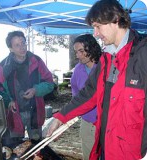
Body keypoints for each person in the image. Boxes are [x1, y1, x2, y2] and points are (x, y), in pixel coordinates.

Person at [47, 0, 147, 160]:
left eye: (98, 26)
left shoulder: (143, 54)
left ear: (115, 20)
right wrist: (61, 117)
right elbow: (89, 93)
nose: (95, 33)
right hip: (105, 147)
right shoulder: (106, 58)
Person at [0, 31, 54, 147]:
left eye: (23, 43)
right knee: (16, 147)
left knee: (37, 146)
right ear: (10, 48)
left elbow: (50, 83)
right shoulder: (3, 67)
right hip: (14, 114)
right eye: (17, 45)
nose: (22, 47)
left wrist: (36, 90)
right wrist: (8, 101)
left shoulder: (36, 61)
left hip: (35, 112)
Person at [71, 34, 101, 160]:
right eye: (76, 52)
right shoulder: (78, 70)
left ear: (92, 48)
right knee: (88, 155)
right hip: (87, 122)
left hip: (105, 122)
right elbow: (76, 93)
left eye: (81, 51)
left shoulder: (105, 66)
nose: (78, 55)